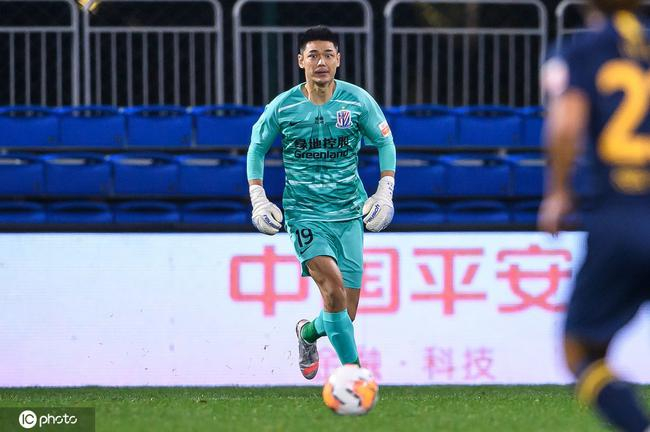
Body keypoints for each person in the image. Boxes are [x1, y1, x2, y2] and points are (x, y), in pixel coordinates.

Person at [246, 25, 396, 379]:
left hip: (348, 213)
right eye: (313, 55)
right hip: (305, 214)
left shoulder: (357, 101)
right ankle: (355, 376)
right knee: (332, 289)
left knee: (345, 311)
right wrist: (258, 198)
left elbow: (385, 142)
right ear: (301, 61)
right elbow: (256, 148)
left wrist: (384, 191)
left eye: (328, 54)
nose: (321, 62)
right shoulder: (283, 106)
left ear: (338, 60)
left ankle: (308, 333)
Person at [539, 1, 650, 430]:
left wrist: (558, 193)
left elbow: (566, 126)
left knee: (580, 350)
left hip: (621, 216)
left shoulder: (587, 51)